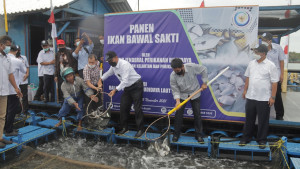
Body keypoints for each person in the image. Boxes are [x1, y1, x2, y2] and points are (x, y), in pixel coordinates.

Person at [239, 44, 278, 149]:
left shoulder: (271, 65)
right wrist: (245, 90)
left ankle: (261, 140)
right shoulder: (251, 63)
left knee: (263, 120)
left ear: (263, 53)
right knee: (249, 119)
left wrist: (272, 97)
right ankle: (246, 138)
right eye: (254, 52)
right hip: (251, 96)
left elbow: (274, 83)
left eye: (256, 52)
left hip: (264, 98)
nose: (254, 54)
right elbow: (248, 77)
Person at [99, 51, 144, 138]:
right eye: (108, 61)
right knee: (123, 107)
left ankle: (140, 129)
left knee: (137, 108)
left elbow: (125, 81)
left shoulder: (124, 65)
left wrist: (115, 90)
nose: (110, 62)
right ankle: (124, 128)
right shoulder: (113, 66)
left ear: (116, 57)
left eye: (111, 60)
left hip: (136, 86)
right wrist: (100, 79)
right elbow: (108, 73)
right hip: (127, 88)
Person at [169, 58, 208, 143]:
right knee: (178, 115)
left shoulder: (191, 67)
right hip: (182, 95)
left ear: (182, 66)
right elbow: (175, 89)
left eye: (178, 70)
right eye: (175, 71)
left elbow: (204, 69)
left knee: (197, 114)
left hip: (195, 92)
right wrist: (178, 101)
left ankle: (199, 135)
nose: (177, 72)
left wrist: (204, 82)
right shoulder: (173, 75)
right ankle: (176, 135)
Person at [0, 35, 22, 148]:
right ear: (1, 45)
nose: (9, 48)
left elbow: (10, 74)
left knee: (2, 115)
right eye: (7, 45)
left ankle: (0, 137)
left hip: (4, 91)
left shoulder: (7, 58)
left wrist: (16, 88)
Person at [261, 32, 285, 120]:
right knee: (265, 96)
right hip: (265, 77)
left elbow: (282, 61)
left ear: (270, 40)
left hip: (276, 76)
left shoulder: (278, 48)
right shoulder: (260, 48)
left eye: (265, 40)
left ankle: (280, 115)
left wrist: (282, 74)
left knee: (277, 96)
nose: (263, 41)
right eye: (262, 40)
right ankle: (264, 115)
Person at [4, 45, 27, 136]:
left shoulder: (3, 60)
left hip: (4, 90)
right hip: (14, 90)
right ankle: (9, 130)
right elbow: (24, 70)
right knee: (12, 111)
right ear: (17, 51)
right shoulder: (18, 61)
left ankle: (5, 128)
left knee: (5, 110)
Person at [16, 45, 30, 114]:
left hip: (24, 80)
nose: (17, 51)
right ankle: (18, 111)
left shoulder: (24, 58)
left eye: (18, 50)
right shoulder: (11, 59)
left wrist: (27, 74)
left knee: (25, 96)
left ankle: (25, 111)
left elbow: (27, 67)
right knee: (16, 97)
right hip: (15, 82)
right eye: (16, 50)